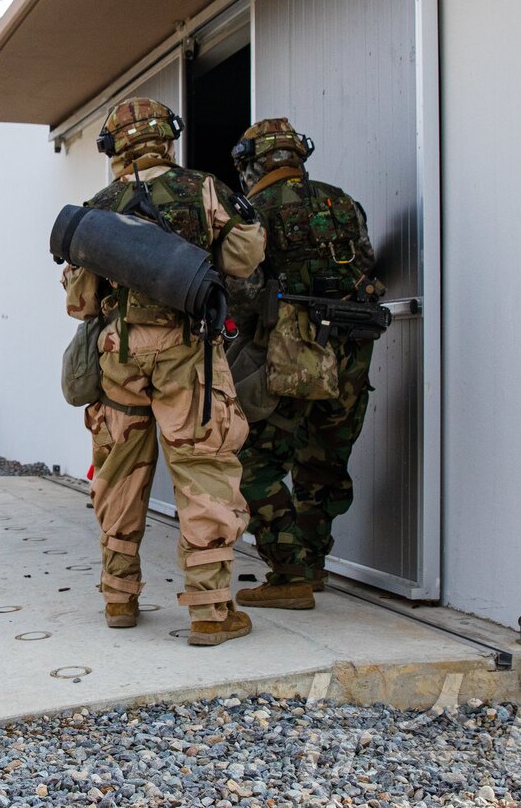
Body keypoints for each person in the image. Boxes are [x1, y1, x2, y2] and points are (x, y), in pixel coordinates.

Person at [61, 97, 265, 646]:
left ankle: (119, 598)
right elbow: (246, 258)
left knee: (119, 471)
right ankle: (209, 610)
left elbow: (81, 303)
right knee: (203, 469)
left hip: (119, 354)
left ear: (114, 148)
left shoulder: (97, 207)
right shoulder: (203, 189)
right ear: (167, 139)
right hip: (189, 353)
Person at [224, 118, 380, 610]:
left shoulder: (252, 211)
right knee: (325, 463)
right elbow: (366, 264)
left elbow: (243, 294)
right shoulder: (344, 203)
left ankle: (290, 570)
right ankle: (311, 566)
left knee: (252, 462)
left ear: (251, 163)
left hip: (292, 352)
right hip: (352, 351)